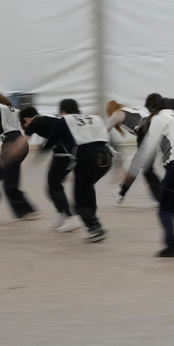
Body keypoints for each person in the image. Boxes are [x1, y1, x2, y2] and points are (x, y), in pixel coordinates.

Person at [119, 93, 174, 257]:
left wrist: (132, 172)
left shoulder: (159, 119)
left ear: (152, 110)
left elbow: (147, 150)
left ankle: (172, 245)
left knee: (164, 208)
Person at [33, 100, 112, 241]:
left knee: (79, 199)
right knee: (87, 187)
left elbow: (50, 143)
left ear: (62, 111)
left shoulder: (64, 120)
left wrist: (38, 155)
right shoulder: (94, 118)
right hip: (106, 158)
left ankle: (95, 228)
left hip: (86, 158)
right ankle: (91, 220)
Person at [0, 91, 37, 220]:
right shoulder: (3, 107)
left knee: (9, 183)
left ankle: (27, 211)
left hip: (12, 145)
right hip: (17, 142)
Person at [107, 101, 162, 203]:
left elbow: (105, 131)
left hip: (146, 133)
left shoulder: (117, 113)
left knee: (146, 170)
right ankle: (121, 193)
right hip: (156, 130)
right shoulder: (133, 108)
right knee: (139, 167)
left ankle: (163, 196)